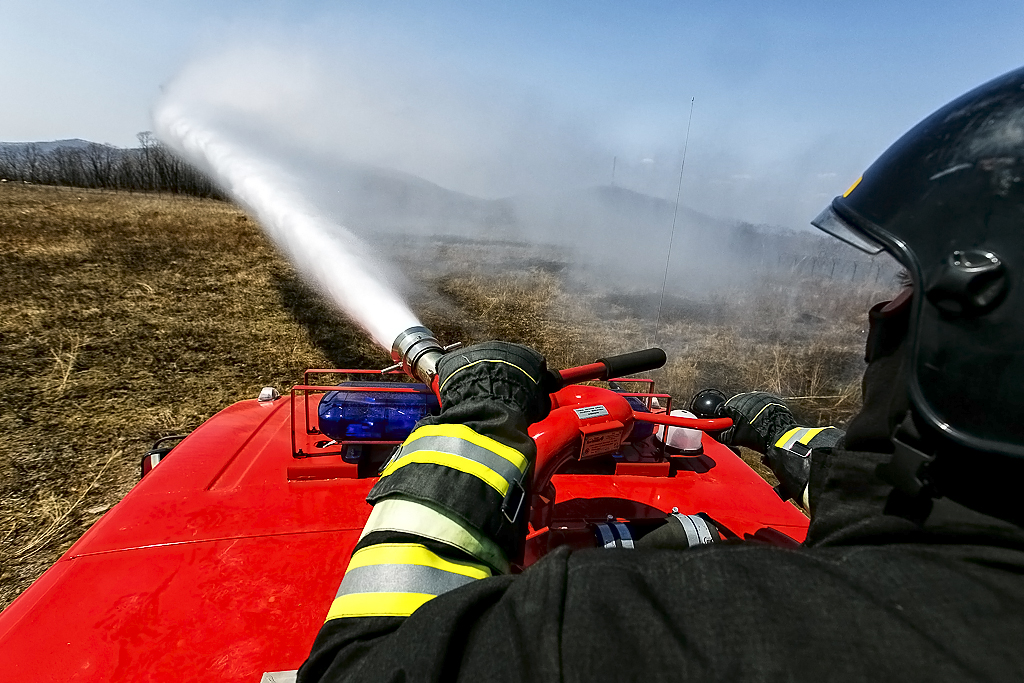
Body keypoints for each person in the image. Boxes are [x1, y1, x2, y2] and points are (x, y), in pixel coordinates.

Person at [298, 67, 1024, 682]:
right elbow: (922, 509)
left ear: (986, 325)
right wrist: (783, 433)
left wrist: (481, 417)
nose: (884, 308)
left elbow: (371, 665)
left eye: (904, 282)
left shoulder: (643, 632)